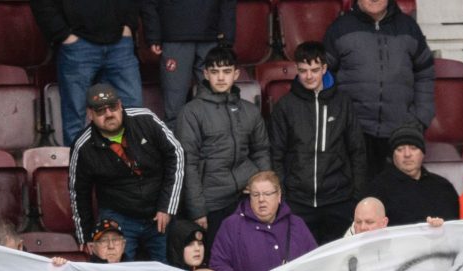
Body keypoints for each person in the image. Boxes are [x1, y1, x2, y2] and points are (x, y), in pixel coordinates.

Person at [68, 83, 183, 261]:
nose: (108, 114)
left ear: (120, 105)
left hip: (158, 209)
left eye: (113, 107)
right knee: (116, 270)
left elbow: (176, 153)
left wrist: (167, 206)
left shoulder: (145, 119)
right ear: (90, 114)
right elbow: (78, 193)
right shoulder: (82, 146)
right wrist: (86, 236)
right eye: (100, 111)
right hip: (118, 213)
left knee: (168, 270)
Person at [269, 41, 366, 245]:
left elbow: (357, 150)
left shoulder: (343, 103)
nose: (309, 76)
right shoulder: (285, 106)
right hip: (298, 201)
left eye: (314, 70)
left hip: (338, 200)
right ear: (297, 69)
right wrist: (284, 196)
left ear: (324, 68)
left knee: (336, 262)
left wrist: (355, 196)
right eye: (303, 70)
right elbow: (276, 154)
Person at [323, 0, 434, 174]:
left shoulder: (409, 27)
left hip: (400, 131)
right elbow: (322, 76)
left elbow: (425, 73)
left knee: (396, 197)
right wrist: (336, 121)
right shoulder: (339, 29)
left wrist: (420, 118)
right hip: (353, 133)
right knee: (360, 197)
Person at [175, 46, 269, 251]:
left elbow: (261, 150)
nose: (220, 78)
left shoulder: (249, 110)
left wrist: (263, 188)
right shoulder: (191, 112)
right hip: (212, 202)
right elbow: (187, 164)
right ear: (205, 74)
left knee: (251, 255)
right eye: (215, 72)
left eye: (226, 72)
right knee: (219, 259)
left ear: (236, 74)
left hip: (246, 197)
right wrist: (197, 210)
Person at [31, 0, 143, 145]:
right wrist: (63, 35)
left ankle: (132, 165)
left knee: (133, 110)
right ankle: (80, 166)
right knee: (75, 118)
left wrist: (129, 26)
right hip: (77, 46)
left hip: (120, 43)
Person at [208, 171, 316, 271]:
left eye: (267, 194)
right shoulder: (232, 225)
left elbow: (314, 260)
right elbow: (218, 263)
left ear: (278, 196)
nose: (261, 200)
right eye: (255, 194)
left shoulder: (296, 224)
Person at [139, 0, 235, 123]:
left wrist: (153, 35)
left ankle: (180, 140)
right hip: (189, 35)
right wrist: (227, 35)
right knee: (210, 102)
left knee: (214, 102)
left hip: (192, 36)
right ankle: (179, 140)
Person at [364, 123, 459, 225]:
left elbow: (455, 227)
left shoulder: (443, 186)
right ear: (392, 155)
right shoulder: (377, 189)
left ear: (423, 153)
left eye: (414, 148)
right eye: (400, 149)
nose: (407, 154)